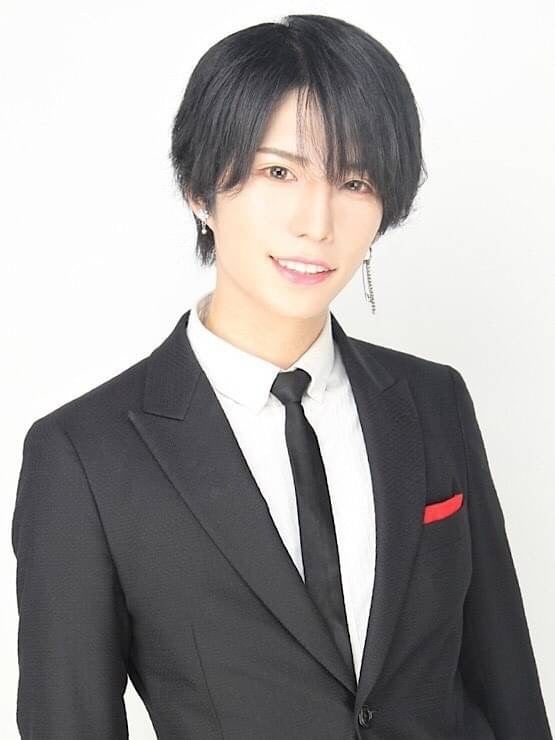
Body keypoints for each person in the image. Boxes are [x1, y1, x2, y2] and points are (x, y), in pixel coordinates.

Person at [11, 13, 552, 740]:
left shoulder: (433, 402)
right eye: (278, 172)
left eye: (354, 180)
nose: (316, 222)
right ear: (200, 188)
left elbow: (507, 689)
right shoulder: (84, 455)